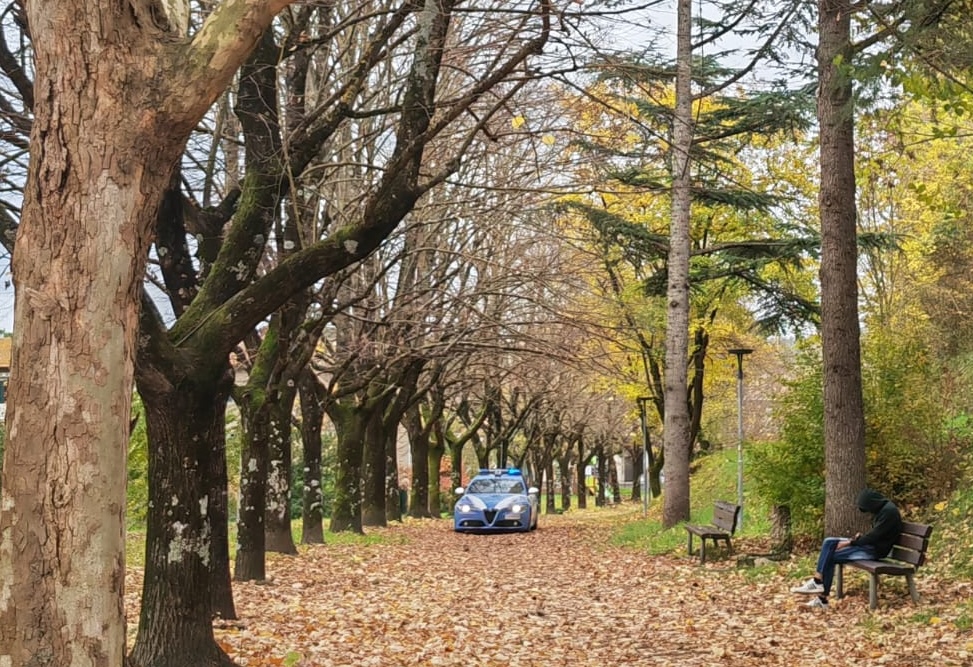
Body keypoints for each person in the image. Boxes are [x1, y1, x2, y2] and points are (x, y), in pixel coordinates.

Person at [790, 488, 903, 609]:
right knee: (828, 542)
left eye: (868, 509)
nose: (869, 512)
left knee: (831, 556)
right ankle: (817, 582)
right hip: (870, 546)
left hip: (874, 551)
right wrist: (858, 539)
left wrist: (850, 542)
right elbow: (876, 534)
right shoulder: (883, 509)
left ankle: (821, 595)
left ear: (872, 503)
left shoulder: (888, 512)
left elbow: (874, 537)